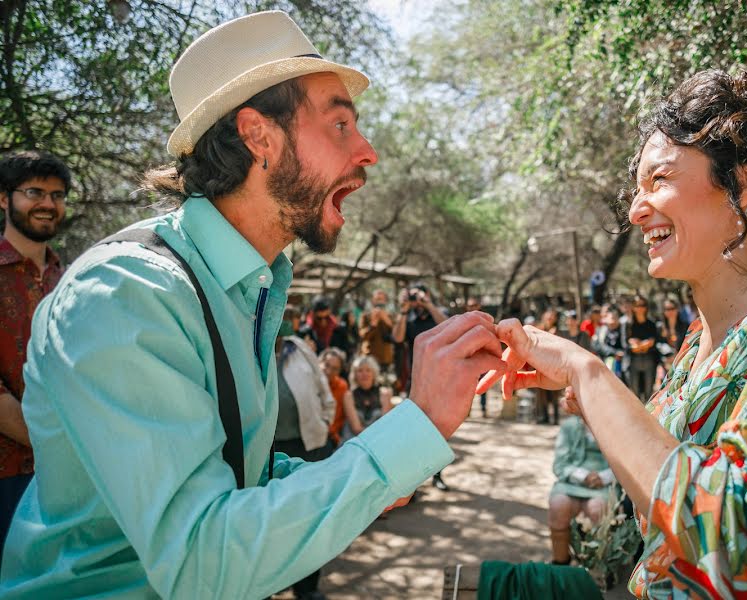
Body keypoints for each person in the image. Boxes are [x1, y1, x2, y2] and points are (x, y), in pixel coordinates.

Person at [0, 12, 503, 598]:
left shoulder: (243, 284)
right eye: (340, 124)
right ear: (258, 135)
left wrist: (380, 461)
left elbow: (235, 470)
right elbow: (199, 562)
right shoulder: (126, 296)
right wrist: (407, 434)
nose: (367, 153)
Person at [479, 69, 747, 597]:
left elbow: (736, 545)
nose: (635, 208)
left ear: (745, 181)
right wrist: (590, 399)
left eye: (660, 180)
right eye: (638, 186)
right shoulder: (699, 341)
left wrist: (589, 373)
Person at [0, 151, 70, 565]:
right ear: (4, 199)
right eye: (34, 192)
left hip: (66, 479)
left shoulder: (73, 279)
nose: (48, 203)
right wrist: (58, 442)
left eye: (58, 194)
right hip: (7, 476)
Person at [274, 319, 336, 600]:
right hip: (268, 451)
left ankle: (308, 587)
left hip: (307, 444)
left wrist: (326, 419)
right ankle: (269, 585)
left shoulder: (298, 348)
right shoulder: (245, 347)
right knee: (276, 520)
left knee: (310, 517)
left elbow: (323, 388)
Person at [548, 388, 617, 566]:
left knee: (598, 509)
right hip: (572, 481)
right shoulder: (569, 427)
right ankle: (561, 563)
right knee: (559, 505)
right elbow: (560, 464)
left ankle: (597, 566)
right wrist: (584, 476)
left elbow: (623, 463)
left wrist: (603, 477)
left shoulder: (614, 427)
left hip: (603, 484)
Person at [392, 282, 451, 490]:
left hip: (440, 379)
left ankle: (437, 474)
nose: (418, 300)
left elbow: (449, 326)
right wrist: (403, 310)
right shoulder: (408, 318)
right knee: (414, 428)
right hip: (415, 380)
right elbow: (397, 337)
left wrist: (429, 304)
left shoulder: (438, 313)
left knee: (438, 429)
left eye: (421, 295)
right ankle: (414, 479)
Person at [342, 355, 393, 438]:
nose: (364, 374)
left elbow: (385, 425)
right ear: (354, 375)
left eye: (368, 370)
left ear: (374, 373)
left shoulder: (385, 394)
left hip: (379, 440)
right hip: (355, 440)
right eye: (360, 370)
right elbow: (356, 428)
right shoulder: (348, 396)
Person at [626, 294, 660, 403]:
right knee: (635, 393)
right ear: (633, 307)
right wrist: (643, 344)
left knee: (648, 393)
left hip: (649, 360)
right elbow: (626, 344)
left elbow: (653, 343)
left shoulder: (652, 324)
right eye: (637, 305)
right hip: (633, 362)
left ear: (646, 307)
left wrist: (638, 345)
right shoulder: (628, 324)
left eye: (642, 305)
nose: (640, 308)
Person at [358, 288, 395, 377]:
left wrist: (387, 320)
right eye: (377, 299)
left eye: (382, 299)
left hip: (386, 359)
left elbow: (397, 336)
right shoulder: (365, 316)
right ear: (372, 301)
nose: (380, 302)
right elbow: (363, 337)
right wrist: (373, 324)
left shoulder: (391, 316)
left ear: (385, 301)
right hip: (369, 357)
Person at [320, 347, 350, 448]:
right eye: (326, 365)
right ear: (319, 362)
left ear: (339, 371)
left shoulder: (342, 386)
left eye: (335, 368)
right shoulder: (309, 382)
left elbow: (338, 418)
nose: (328, 371)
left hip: (329, 437)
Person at [656, 295, 689, 373]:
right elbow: (658, 344)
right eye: (667, 309)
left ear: (677, 309)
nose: (670, 311)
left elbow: (688, 344)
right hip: (665, 364)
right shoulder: (659, 327)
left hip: (682, 363)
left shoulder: (685, 326)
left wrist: (677, 355)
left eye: (672, 308)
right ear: (664, 311)